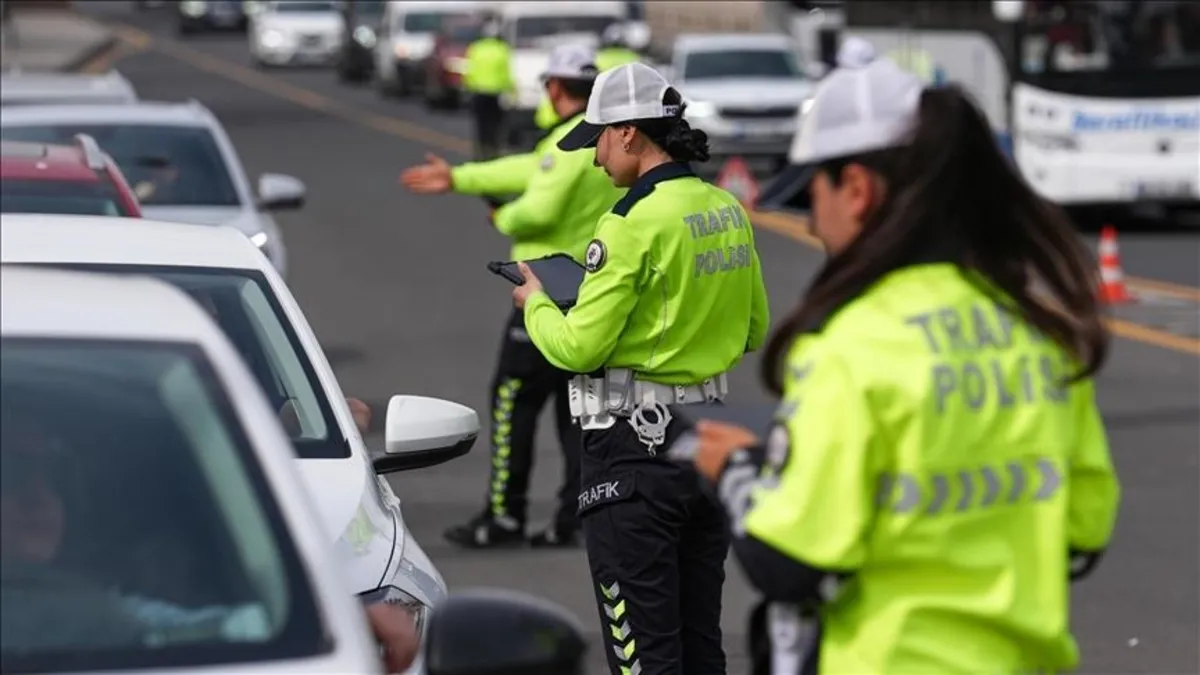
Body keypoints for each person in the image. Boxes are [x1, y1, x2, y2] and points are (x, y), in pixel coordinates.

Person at [684, 50, 1121, 674]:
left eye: (814, 196)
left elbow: (790, 560)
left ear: (857, 190)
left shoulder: (851, 346)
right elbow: (1083, 532)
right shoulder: (1035, 334)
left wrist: (735, 470)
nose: (814, 224)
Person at [510, 62, 771, 675]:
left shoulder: (629, 223)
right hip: (705, 441)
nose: (596, 155)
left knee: (643, 655)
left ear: (628, 132)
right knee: (701, 644)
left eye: (599, 138)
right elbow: (753, 329)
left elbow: (578, 349)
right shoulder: (726, 208)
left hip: (633, 450)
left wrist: (537, 304)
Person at [399, 44, 626, 550]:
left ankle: (504, 515)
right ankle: (576, 516)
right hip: (593, 294)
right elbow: (530, 168)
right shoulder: (598, 139)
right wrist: (460, 178)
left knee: (513, 401)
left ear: (553, 87)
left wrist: (502, 217)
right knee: (579, 411)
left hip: (545, 293)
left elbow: (538, 206)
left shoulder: (569, 143)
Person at [461, 12, 513, 160]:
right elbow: (506, 73)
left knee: (481, 127)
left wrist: (467, 87)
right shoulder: (502, 49)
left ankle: (481, 153)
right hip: (495, 94)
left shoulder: (476, 48)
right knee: (495, 127)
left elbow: (469, 71)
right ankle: (493, 153)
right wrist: (510, 89)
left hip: (478, 93)